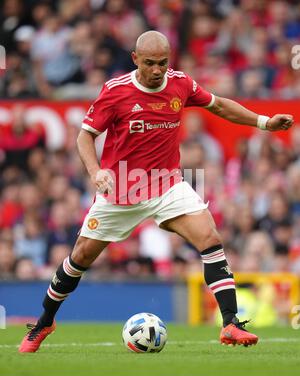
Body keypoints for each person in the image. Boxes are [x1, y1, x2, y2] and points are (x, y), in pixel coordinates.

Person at [19, 31, 294, 352]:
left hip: (167, 185)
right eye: (149, 63)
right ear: (135, 59)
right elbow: (85, 136)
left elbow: (219, 106)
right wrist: (96, 172)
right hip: (121, 188)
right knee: (79, 257)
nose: (156, 70)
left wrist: (264, 122)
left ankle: (230, 324)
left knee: (210, 238)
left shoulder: (181, 83)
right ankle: (44, 322)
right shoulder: (115, 91)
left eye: (162, 63)